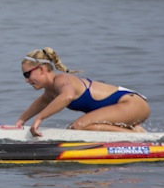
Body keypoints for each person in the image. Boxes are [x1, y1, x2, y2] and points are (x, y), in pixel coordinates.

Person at [15, 47, 150, 136]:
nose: (27, 80)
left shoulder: (62, 80)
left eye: (27, 75)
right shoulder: (51, 91)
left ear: (42, 69)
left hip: (132, 104)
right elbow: (42, 102)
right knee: (73, 130)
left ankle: (136, 135)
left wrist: (39, 119)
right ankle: (131, 132)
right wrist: (21, 121)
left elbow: (68, 96)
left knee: (78, 127)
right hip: (129, 106)